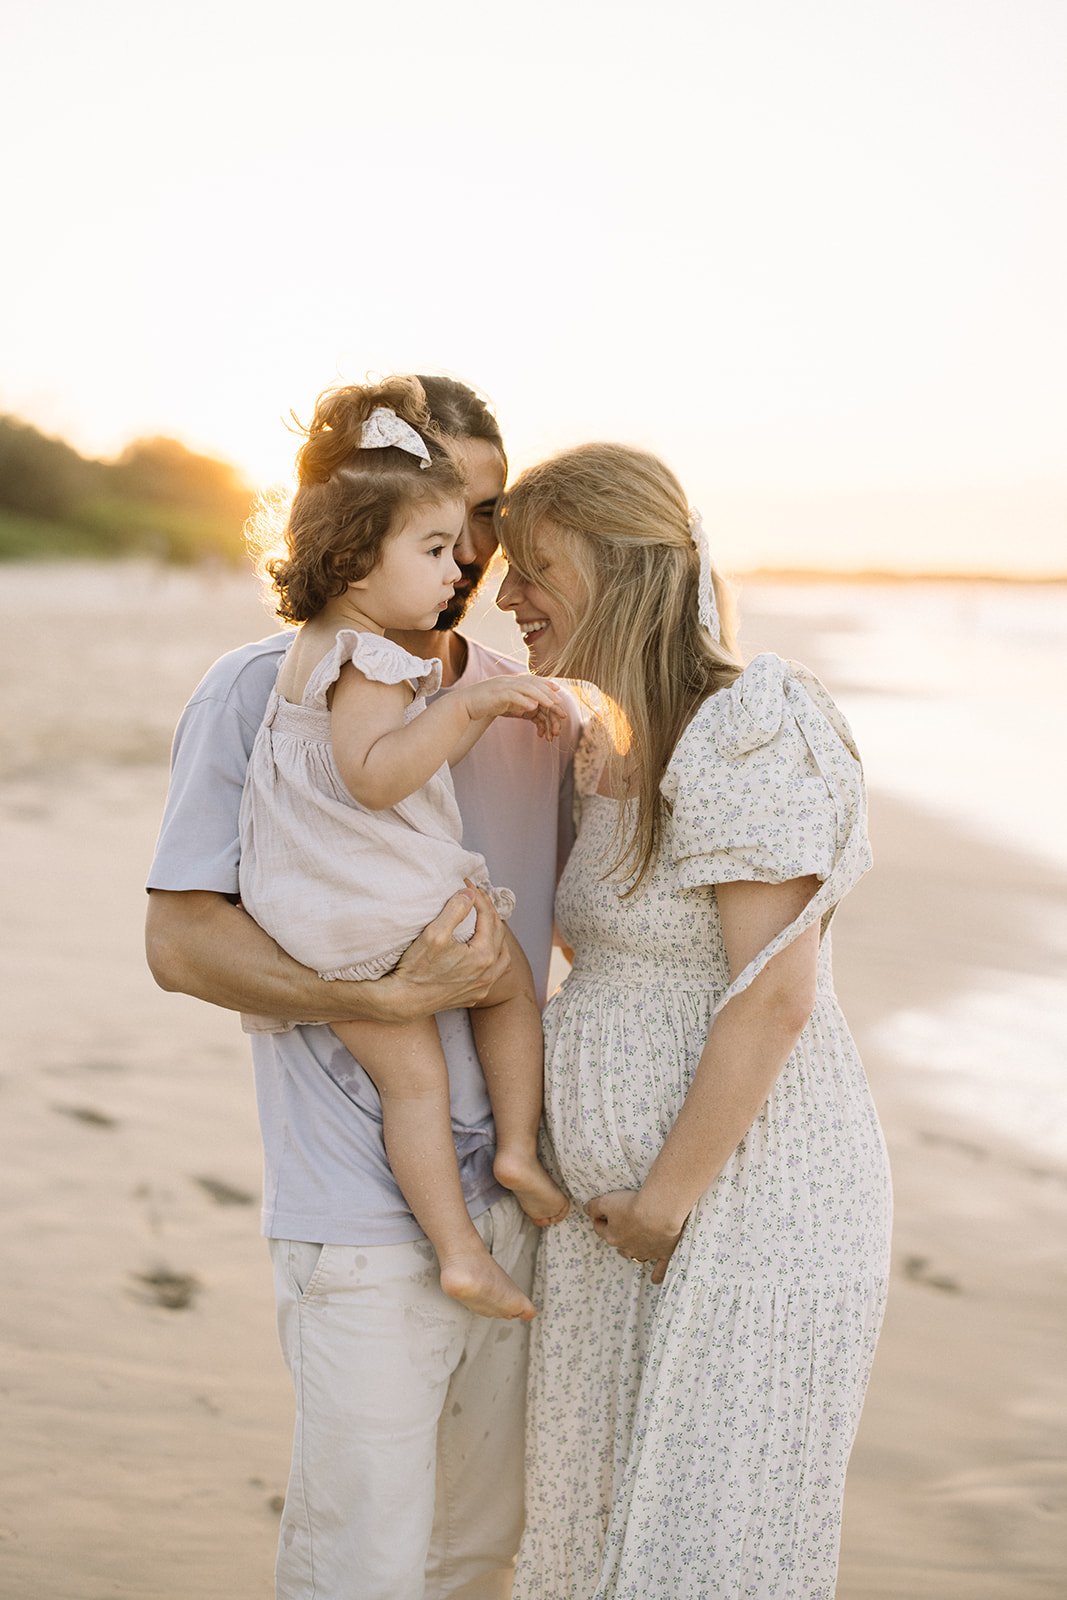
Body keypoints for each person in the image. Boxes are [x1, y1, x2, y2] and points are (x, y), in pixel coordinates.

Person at [145, 375, 582, 1600]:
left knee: (473, 1557)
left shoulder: (524, 705)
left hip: (524, 1202)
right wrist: (383, 1002)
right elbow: (180, 943)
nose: (474, 544)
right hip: (355, 1213)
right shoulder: (256, 692)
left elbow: (584, 938)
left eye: (486, 510)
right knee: (362, 1568)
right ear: (356, 520)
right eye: (443, 511)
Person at [495, 442, 892, 1599]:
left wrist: (665, 1203)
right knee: (601, 1527)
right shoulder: (593, 743)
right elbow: (620, 958)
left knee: (704, 1548)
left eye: (533, 567)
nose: (507, 595)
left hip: (747, 1205)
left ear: (619, 566)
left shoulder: (742, 723)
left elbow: (773, 992)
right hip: (614, 1232)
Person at [238, 377, 568, 1324]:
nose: (462, 559)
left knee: (412, 1081)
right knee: (504, 985)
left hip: (315, 916)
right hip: (373, 911)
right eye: (433, 541)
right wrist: (462, 706)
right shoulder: (376, 663)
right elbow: (374, 777)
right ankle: (514, 1148)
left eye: (480, 519)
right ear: (355, 560)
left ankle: (462, 1250)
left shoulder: (313, 652)